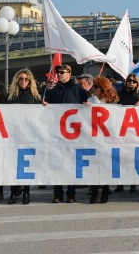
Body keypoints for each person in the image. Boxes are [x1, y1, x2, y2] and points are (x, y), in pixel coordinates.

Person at [43, 64, 89, 203]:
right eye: (58, 73)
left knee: (71, 164)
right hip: (57, 133)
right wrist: (45, 106)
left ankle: (71, 193)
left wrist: (87, 105)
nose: (60, 74)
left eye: (63, 72)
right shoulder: (52, 91)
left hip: (73, 134)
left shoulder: (78, 90)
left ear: (69, 74)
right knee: (57, 164)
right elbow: (46, 112)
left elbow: (87, 105)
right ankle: (57, 193)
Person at [6, 69, 40, 204]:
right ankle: (14, 191)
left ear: (30, 81)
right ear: (16, 80)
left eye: (26, 79)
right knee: (12, 165)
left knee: (26, 165)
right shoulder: (10, 97)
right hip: (13, 136)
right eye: (21, 79)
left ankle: (26, 191)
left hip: (28, 136)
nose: (23, 82)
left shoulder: (35, 97)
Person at [86, 77, 119, 204]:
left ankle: (105, 190)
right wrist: (86, 108)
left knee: (106, 165)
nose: (93, 89)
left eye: (96, 87)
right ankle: (94, 192)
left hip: (108, 138)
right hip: (94, 138)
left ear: (103, 88)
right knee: (95, 165)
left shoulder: (113, 102)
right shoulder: (90, 100)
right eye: (93, 87)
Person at [114, 73, 139, 193]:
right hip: (121, 129)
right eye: (129, 80)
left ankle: (132, 183)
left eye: (134, 81)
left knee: (132, 157)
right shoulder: (119, 94)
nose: (131, 83)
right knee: (120, 157)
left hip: (134, 131)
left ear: (137, 84)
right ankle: (120, 183)